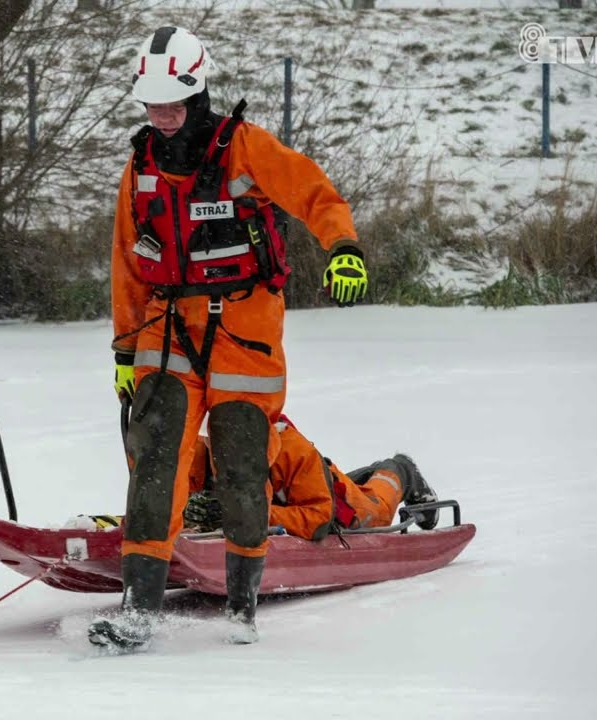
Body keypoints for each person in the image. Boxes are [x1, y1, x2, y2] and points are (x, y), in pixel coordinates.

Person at [94, 26, 369, 651]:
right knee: (156, 464)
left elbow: (315, 193)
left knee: (243, 467)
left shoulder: (245, 148)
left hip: (245, 328)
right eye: (151, 104)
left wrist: (343, 247)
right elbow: (127, 265)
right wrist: (122, 351)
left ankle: (242, 605)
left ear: (197, 93)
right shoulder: (139, 168)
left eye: (172, 103)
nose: (161, 116)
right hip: (165, 329)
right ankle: (139, 611)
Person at [182, 415, 441, 541]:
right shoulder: (196, 451)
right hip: (301, 489)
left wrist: (248, 513)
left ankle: (401, 469)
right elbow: (169, 495)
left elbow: (319, 519)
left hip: (331, 504)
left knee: (377, 512)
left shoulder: (291, 450)